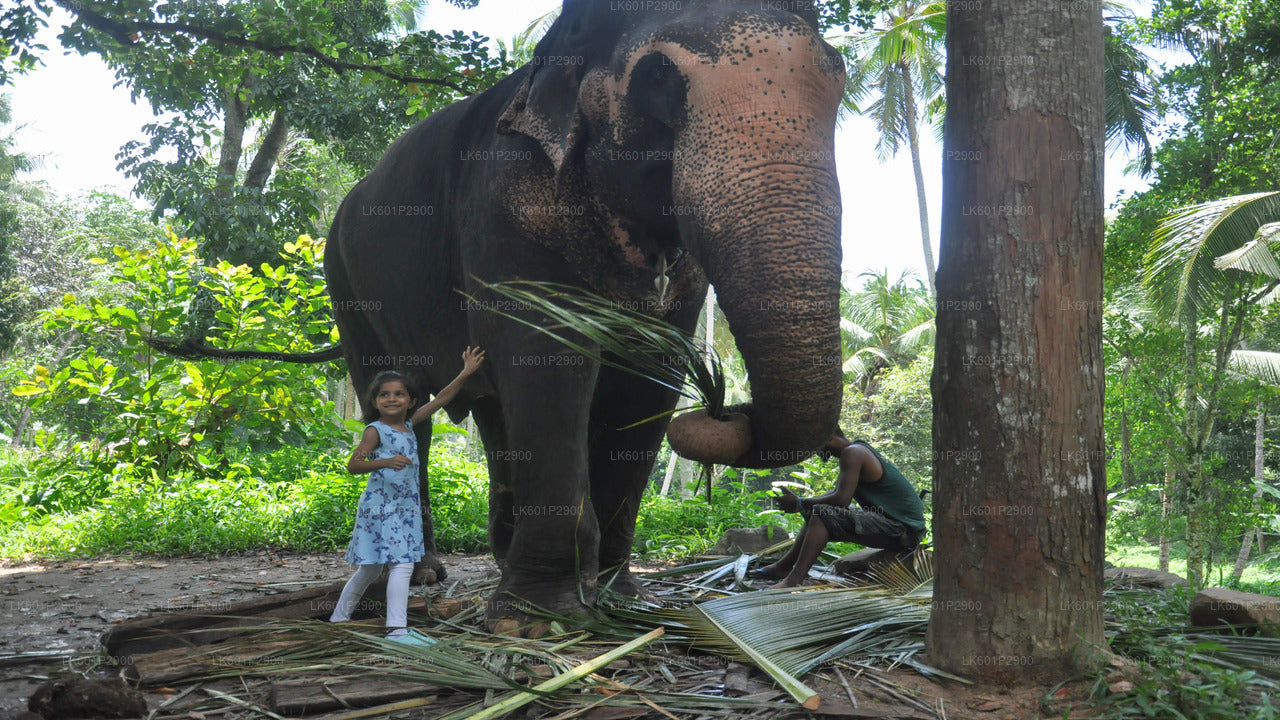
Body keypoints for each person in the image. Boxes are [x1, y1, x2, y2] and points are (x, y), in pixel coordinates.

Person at [329, 347, 485, 642]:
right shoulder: (375, 431)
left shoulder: (410, 425)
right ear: (375, 401)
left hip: (404, 509)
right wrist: (385, 461)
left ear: (411, 401)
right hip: (381, 507)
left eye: (399, 394)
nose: (391, 399)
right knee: (402, 564)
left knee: (370, 569)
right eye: (384, 394)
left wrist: (466, 372)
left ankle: (338, 618)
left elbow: (441, 399)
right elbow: (353, 465)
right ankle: (397, 631)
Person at [755, 432, 926, 589]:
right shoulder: (856, 449)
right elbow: (836, 494)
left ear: (829, 436)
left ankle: (793, 581)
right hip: (899, 527)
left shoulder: (853, 453)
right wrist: (802, 504)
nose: (816, 452)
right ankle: (784, 566)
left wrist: (800, 502)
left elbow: (841, 500)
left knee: (821, 513)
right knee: (816, 510)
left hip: (904, 531)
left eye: (817, 445)